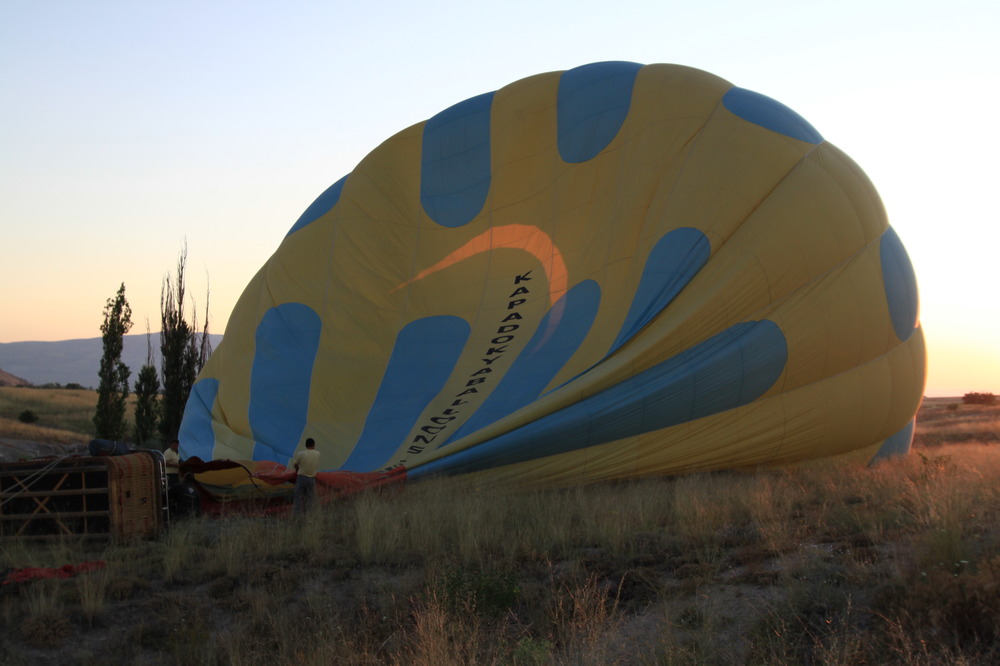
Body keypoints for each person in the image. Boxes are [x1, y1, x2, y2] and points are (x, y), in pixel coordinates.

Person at [290, 437, 321, 515]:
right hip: (311, 478)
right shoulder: (317, 453)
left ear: (305, 445)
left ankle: (298, 514)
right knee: (310, 497)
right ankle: (309, 514)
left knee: (298, 496)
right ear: (314, 445)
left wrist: (297, 469)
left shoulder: (301, 454)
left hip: (301, 477)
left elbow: (295, 464)